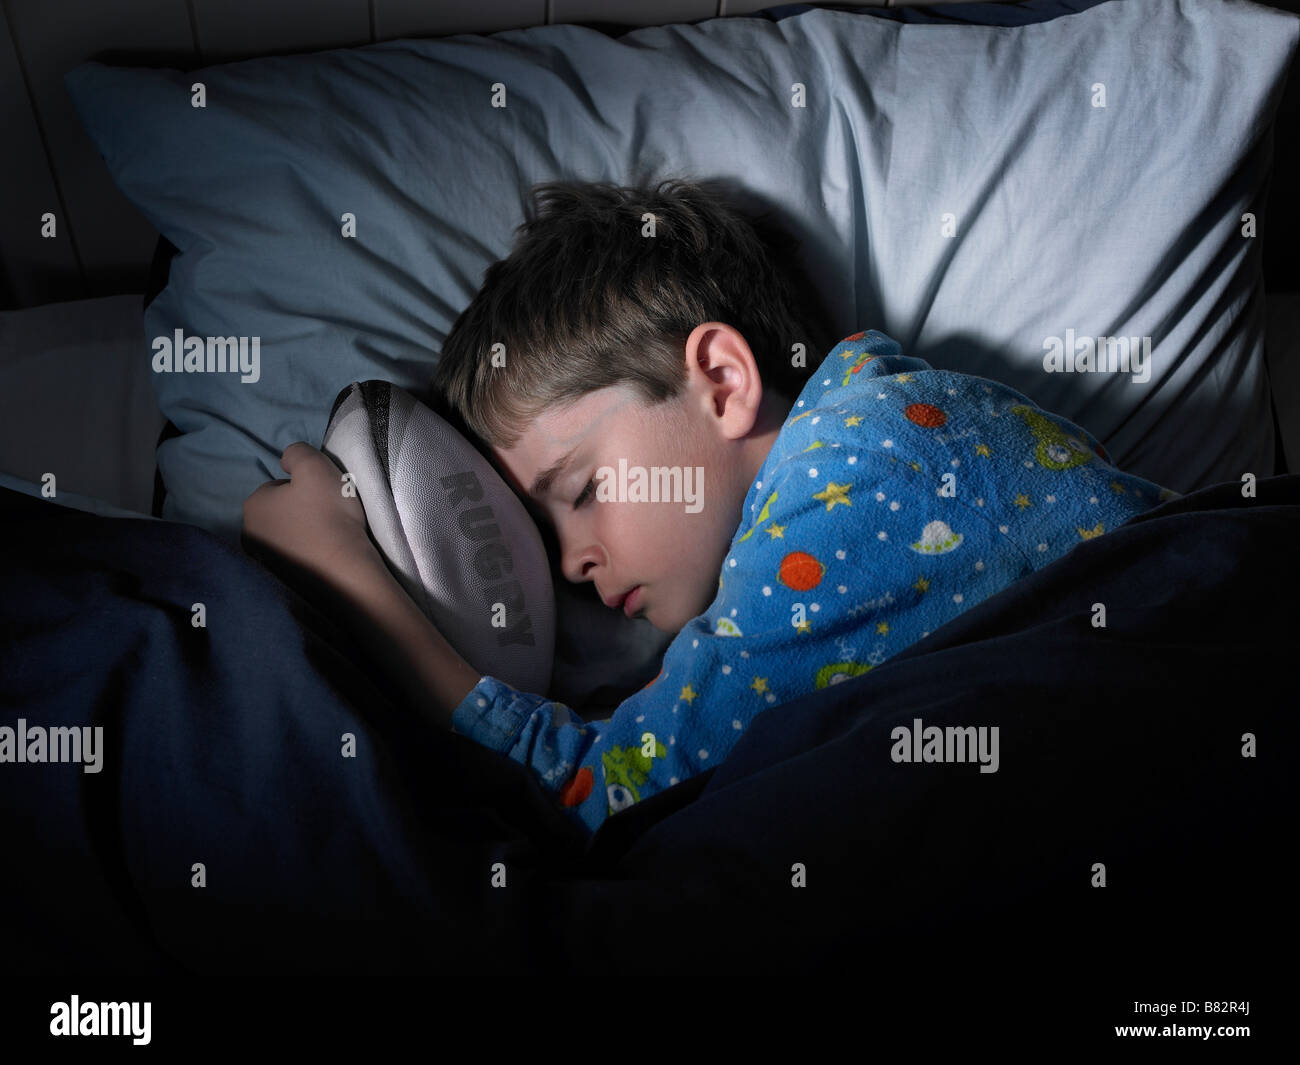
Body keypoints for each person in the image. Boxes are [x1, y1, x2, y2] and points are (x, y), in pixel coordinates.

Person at [243, 177, 1176, 837]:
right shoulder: (871, 444)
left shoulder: (866, 461)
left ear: (723, 382)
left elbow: (607, 793)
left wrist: (348, 577)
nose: (570, 564)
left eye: (582, 491)